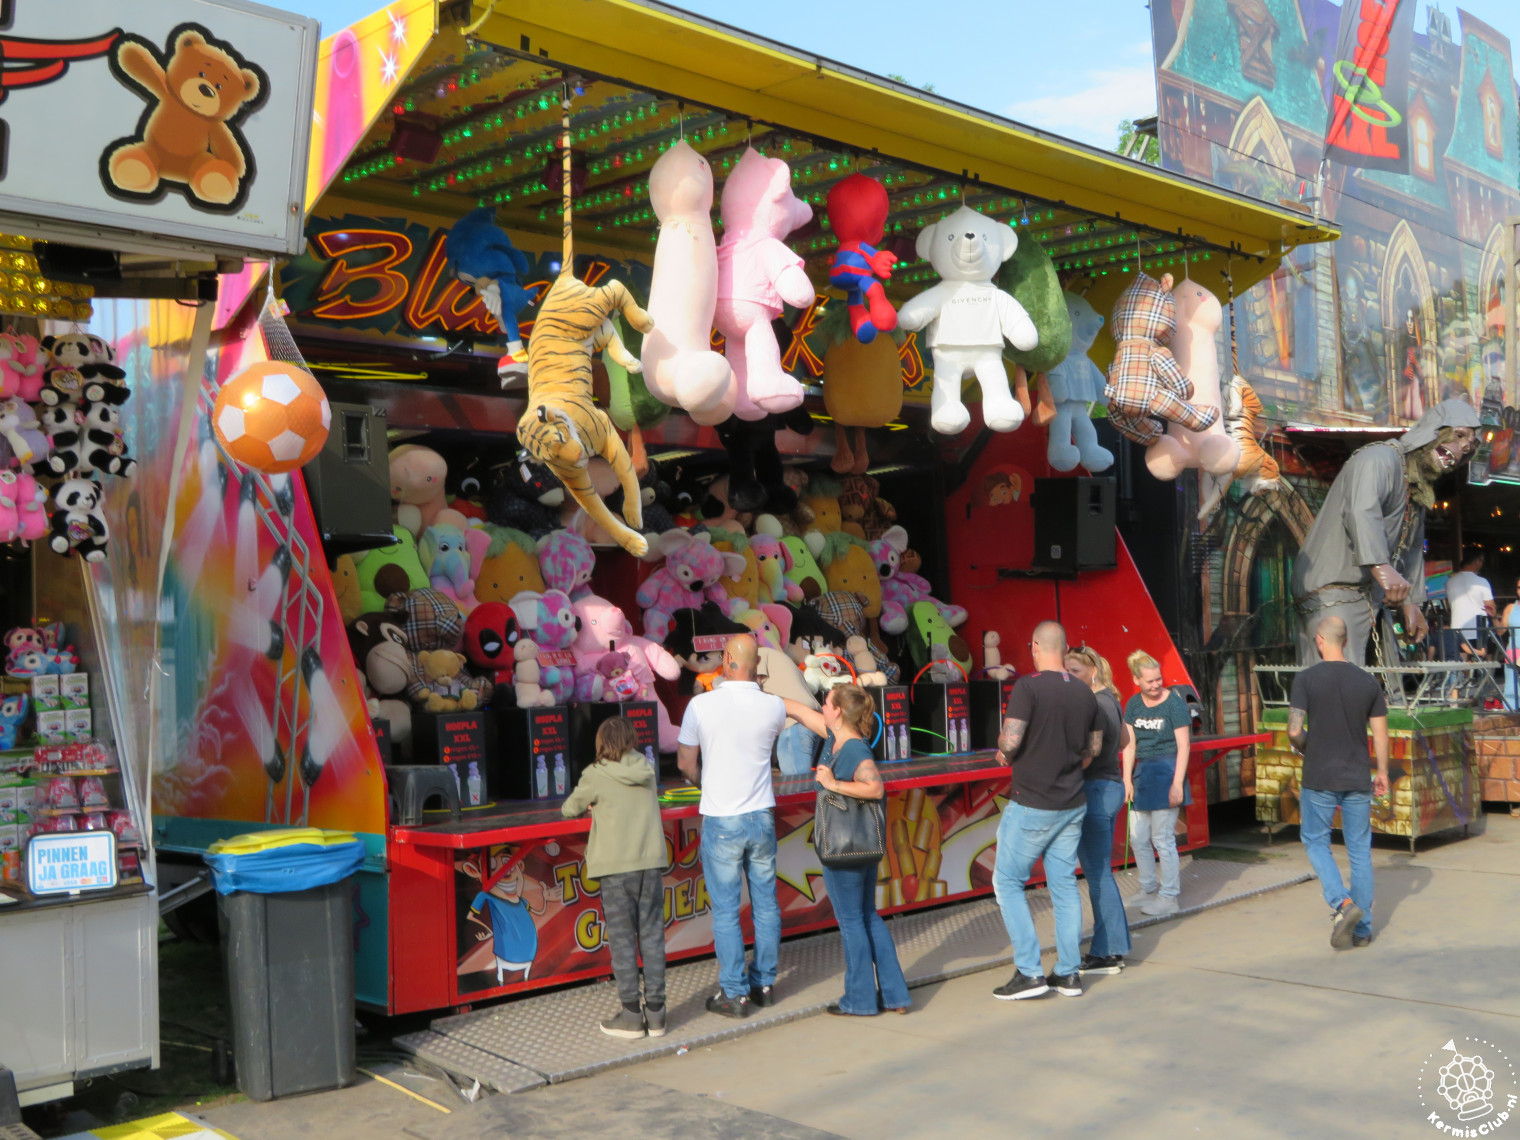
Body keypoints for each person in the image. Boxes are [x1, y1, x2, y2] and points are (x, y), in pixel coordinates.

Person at [1290, 399, 1479, 667]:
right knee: (1337, 676)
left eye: (1468, 447)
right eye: (1459, 436)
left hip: (1372, 596)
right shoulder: (1378, 458)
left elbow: (1412, 549)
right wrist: (1380, 566)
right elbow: (1361, 511)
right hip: (1332, 592)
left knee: (1388, 676)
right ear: (1433, 430)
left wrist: (1411, 602)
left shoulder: (1416, 487)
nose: (1460, 451)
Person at [781, 685, 912, 1016]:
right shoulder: (835, 736)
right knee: (867, 916)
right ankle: (895, 996)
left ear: (838, 711)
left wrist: (833, 784)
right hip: (861, 846)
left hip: (845, 848)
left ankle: (860, 1000)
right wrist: (761, 695)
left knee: (852, 921)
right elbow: (799, 710)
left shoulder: (853, 748)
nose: (822, 707)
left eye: (826, 703)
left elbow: (874, 787)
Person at [990, 621, 1102, 1001]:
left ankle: (1029, 972)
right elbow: (1093, 750)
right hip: (1072, 803)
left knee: (1007, 883)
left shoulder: (1028, 687)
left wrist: (1003, 750)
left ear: (1035, 646)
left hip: (1032, 804)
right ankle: (1068, 974)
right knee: (1065, 886)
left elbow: (1011, 741)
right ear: (1066, 649)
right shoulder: (1086, 692)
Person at [677, 633, 787, 1018]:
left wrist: (704, 782)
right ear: (757, 664)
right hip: (761, 816)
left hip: (722, 817)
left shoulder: (700, 704)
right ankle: (765, 984)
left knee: (726, 911)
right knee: (766, 904)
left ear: (725, 659)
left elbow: (685, 763)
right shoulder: (773, 706)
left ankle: (735, 993)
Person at [562, 716, 668, 1038]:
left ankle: (631, 1016)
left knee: (623, 942)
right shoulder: (646, 769)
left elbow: (569, 809)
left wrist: (593, 805)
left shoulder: (596, 774)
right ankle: (657, 1015)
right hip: (650, 865)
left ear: (600, 743)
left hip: (615, 870)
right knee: (652, 938)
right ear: (632, 740)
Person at [1289, 616, 1390, 949]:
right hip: (1357, 775)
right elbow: (1380, 734)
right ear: (1345, 641)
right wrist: (1383, 772)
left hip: (1319, 775)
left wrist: (1310, 747)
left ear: (1319, 640)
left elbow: (1294, 730)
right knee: (1359, 851)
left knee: (1315, 840)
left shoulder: (1306, 679)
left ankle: (1342, 903)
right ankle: (1363, 931)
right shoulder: (1367, 681)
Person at [1065, 645, 1132, 974]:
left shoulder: (1095, 705)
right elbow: (1125, 741)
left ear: (1093, 670)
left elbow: (1089, 755)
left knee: (1098, 874)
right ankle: (1113, 946)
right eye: (1066, 671)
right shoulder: (1112, 700)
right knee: (1100, 872)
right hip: (1110, 787)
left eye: (1075, 671)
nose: (1069, 677)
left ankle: (1107, 951)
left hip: (1095, 791)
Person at [1121, 650, 1192, 918]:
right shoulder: (1133, 704)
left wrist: (1177, 783)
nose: (1156, 685)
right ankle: (1148, 888)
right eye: (1150, 681)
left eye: (1158, 679)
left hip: (1168, 770)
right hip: (1143, 773)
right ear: (1137, 680)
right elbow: (1130, 745)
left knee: (1162, 838)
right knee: (1138, 837)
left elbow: (1184, 745)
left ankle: (1169, 896)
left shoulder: (1174, 703)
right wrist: (1126, 779)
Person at [1445, 548, 1495, 660]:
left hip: (1458, 629)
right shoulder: (1482, 582)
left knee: (1461, 663)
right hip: (1479, 629)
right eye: (1482, 561)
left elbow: (1449, 605)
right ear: (1477, 561)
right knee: (1487, 662)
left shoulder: (1450, 582)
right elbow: (1491, 608)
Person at [1502, 581, 1520, 711]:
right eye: (1518, 587)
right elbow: (1501, 630)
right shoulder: (1510, 607)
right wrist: (1493, 617)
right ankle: (1511, 713)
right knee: (1511, 685)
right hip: (1513, 651)